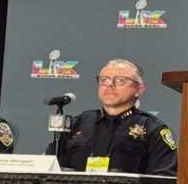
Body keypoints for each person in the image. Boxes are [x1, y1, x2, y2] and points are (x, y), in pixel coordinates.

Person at [46, 59, 177, 176]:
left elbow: (163, 181)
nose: (109, 84)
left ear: (138, 90)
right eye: (104, 80)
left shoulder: (153, 130)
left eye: (120, 80)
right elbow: (48, 168)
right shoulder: (77, 123)